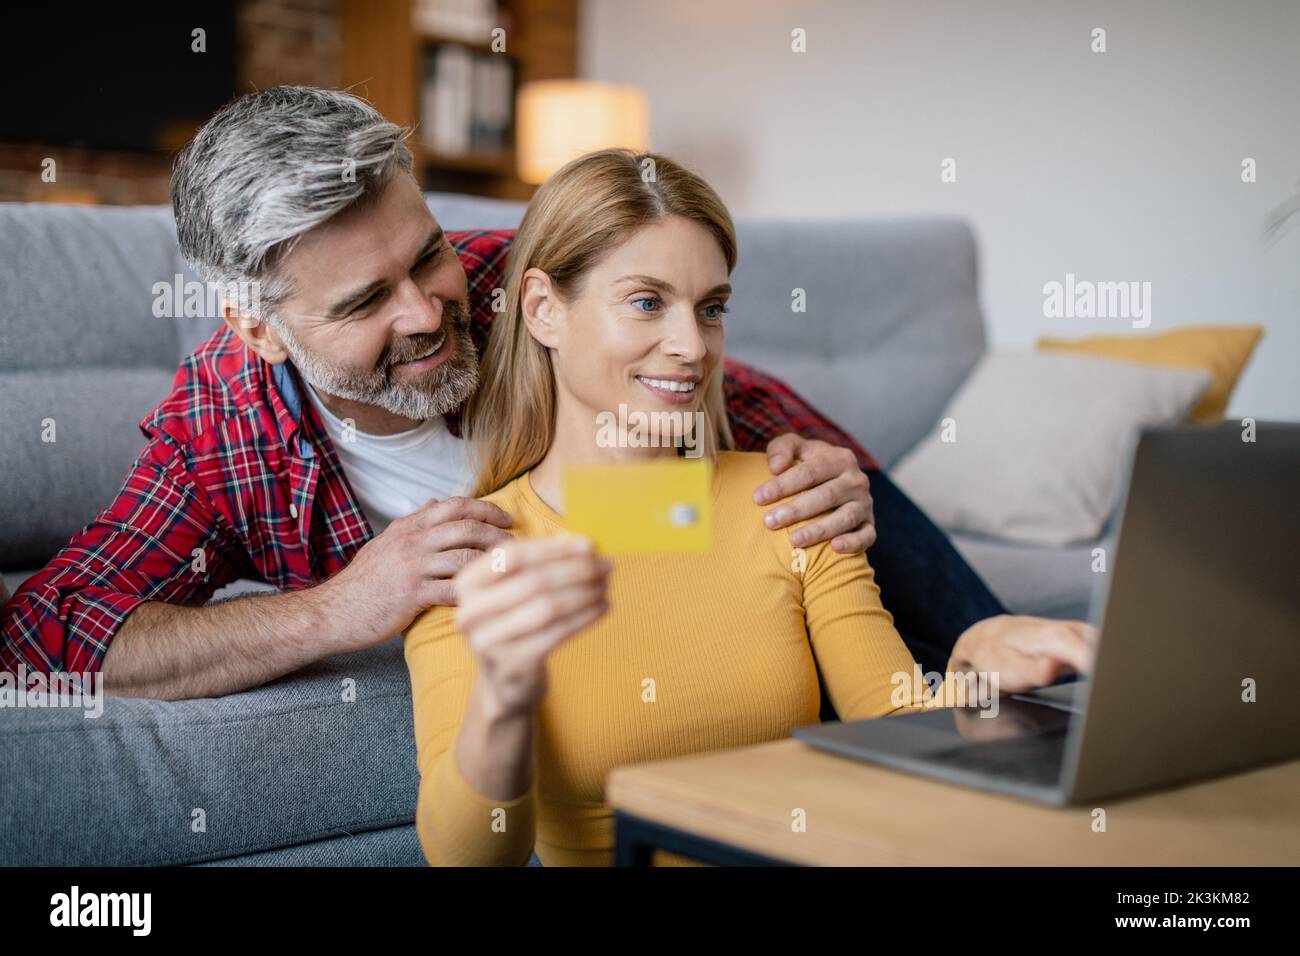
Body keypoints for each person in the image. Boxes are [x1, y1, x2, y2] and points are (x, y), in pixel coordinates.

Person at [0, 86, 1080, 701]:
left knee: (1014, 691)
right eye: (366, 298)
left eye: (422, 255)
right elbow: (46, 638)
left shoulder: (513, 282)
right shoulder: (223, 428)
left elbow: (723, 385)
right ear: (255, 327)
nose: (427, 309)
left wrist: (822, 467)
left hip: (662, 538)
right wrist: (342, 607)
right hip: (566, 626)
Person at [402, 148, 1095, 867]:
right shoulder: (473, 558)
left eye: (711, 309)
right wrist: (505, 698)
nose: (691, 346)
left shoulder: (787, 502)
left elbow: (894, 722)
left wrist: (978, 679)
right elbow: (469, 859)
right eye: (647, 302)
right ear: (544, 309)